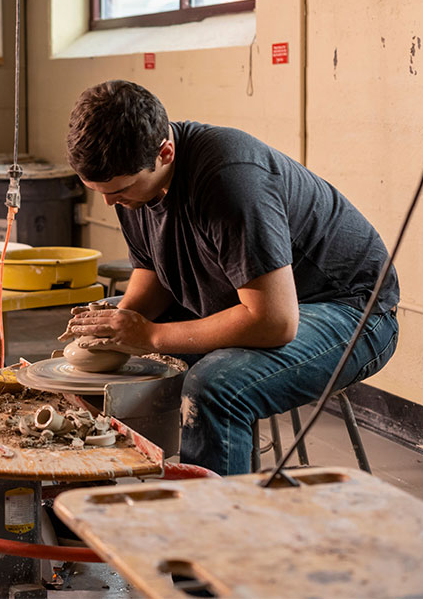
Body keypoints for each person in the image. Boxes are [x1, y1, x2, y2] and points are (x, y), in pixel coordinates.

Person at [63, 80, 400, 475]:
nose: (109, 202)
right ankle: (104, 500)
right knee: (94, 336)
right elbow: (152, 270)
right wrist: (119, 326)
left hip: (348, 309)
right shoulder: (130, 178)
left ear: (165, 152)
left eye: (119, 190)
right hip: (255, 303)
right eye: (98, 191)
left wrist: (150, 336)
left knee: (215, 389)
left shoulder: (229, 178)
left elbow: (273, 321)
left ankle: (220, 527)